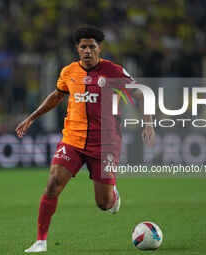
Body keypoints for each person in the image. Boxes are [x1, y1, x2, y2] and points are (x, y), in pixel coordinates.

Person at [15, 27, 155, 253]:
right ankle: (41, 241)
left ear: (100, 48)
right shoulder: (69, 72)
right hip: (73, 139)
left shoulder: (113, 71)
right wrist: (32, 117)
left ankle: (113, 195)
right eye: (83, 46)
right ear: (77, 49)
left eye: (92, 46)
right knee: (53, 184)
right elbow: (57, 95)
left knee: (104, 204)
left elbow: (142, 94)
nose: (87, 50)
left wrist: (148, 123)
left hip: (105, 144)